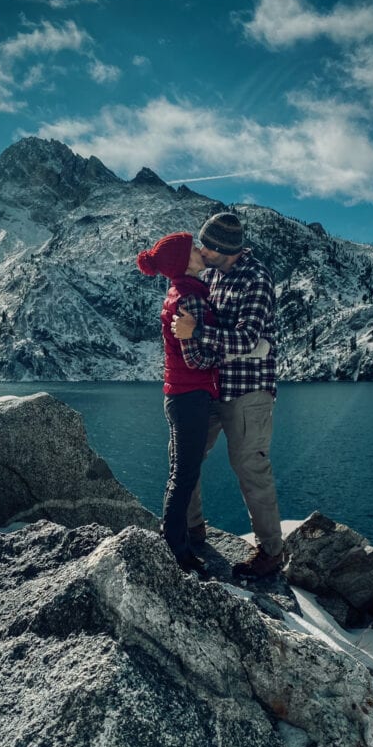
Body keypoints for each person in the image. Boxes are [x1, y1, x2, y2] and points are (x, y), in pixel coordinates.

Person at [171, 211, 284, 579]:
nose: (201, 251)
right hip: (212, 386)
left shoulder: (257, 278)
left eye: (206, 245)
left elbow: (249, 338)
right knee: (185, 456)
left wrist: (196, 331)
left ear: (223, 248)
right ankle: (193, 528)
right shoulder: (213, 276)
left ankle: (270, 552)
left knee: (250, 466)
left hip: (249, 391)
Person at [136, 232, 218, 576]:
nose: (201, 251)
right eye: (193, 249)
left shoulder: (182, 291)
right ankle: (176, 551)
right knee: (184, 475)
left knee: (181, 473)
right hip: (191, 397)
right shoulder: (190, 298)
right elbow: (197, 358)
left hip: (180, 395)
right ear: (185, 261)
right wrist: (225, 350)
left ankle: (175, 541)